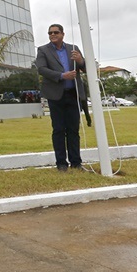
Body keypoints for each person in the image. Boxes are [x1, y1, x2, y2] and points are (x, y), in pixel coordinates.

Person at [36, 24, 87, 171]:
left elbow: (84, 67)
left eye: (55, 32)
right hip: (55, 95)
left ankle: (76, 163)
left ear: (62, 34)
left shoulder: (73, 49)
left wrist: (80, 61)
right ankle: (61, 164)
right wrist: (61, 76)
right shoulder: (43, 50)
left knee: (73, 130)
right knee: (58, 130)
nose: (52, 35)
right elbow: (41, 69)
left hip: (73, 94)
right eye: (50, 33)